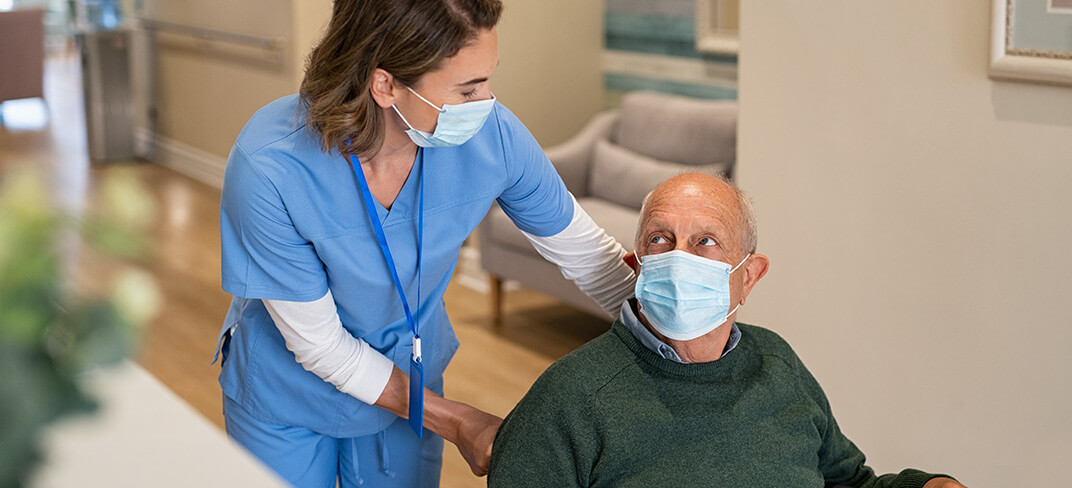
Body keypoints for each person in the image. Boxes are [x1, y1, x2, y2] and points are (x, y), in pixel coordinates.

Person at [213, 1, 635, 486]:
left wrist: (675, 330)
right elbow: (322, 347)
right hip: (288, 390)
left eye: (488, 80)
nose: (487, 103)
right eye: (468, 88)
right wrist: (458, 420)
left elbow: (590, 258)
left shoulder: (492, 136)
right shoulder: (271, 167)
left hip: (406, 372)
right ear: (385, 84)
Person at [488, 173, 968, 488]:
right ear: (638, 265)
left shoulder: (776, 362)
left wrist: (926, 485)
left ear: (749, 275)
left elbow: (846, 481)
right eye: (661, 239)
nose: (680, 257)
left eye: (706, 242)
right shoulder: (569, 399)